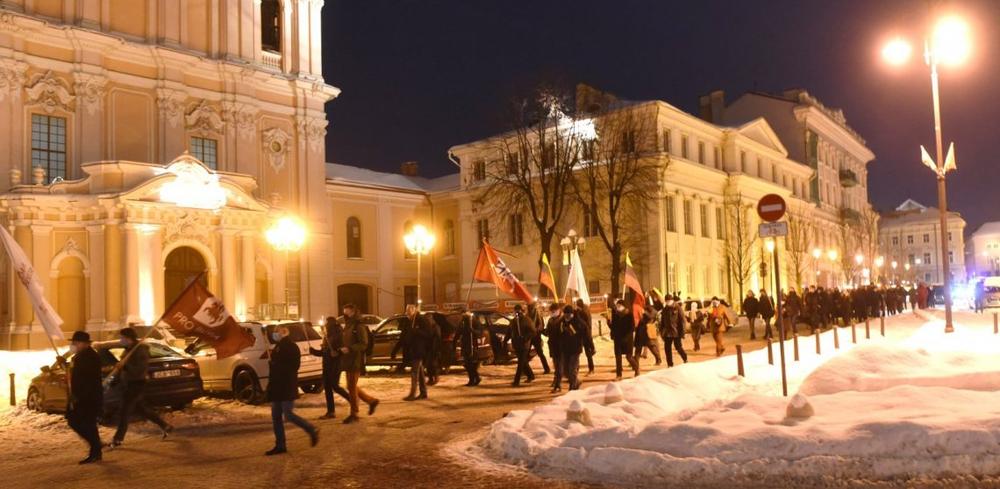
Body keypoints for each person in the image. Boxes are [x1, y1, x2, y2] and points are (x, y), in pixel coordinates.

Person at [106, 327, 172, 448]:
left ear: (128, 338)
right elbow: (123, 369)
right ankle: (165, 425)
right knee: (141, 409)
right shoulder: (129, 350)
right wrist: (116, 379)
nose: (120, 340)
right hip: (128, 384)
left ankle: (118, 439)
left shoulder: (140, 350)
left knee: (124, 411)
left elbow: (139, 370)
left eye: (122, 338)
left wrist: (124, 367)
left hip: (137, 384)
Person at [265, 324, 318, 455]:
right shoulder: (278, 347)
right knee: (276, 416)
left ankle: (311, 429)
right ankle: (280, 445)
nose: (274, 334)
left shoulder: (291, 347)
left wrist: (275, 364)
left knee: (288, 414)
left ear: (284, 332)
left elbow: (293, 366)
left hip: (286, 385)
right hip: (277, 387)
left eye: (276, 332)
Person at [65, 331, 103, 464]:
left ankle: (96, 448)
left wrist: (79, 396)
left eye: (76, 343)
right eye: (73, 342)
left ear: (85, 344)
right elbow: (76, 374)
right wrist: (65, 364)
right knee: (80, 423)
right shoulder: (80, 356)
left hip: (88, 398)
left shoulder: (90, 357)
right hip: (80, 397)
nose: (73, 345)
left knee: (83, 423)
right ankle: (96, 448)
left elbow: (87, 380)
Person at [341, 304, 379, 423]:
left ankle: (354, 414)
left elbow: (364, 343)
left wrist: (350, 349)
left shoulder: (358, 325)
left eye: (346, 311)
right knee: (350, 386)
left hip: (355, 359)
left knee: (351, 387)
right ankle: (371, 401)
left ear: (352, 311)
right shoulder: (349, 324)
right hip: (348, 359)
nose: (344, 313)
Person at [308, 317, 352, 419]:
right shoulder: (327, 336)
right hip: (327, 364)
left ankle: (352, 400)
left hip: (335, 365)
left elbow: (342, 349)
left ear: (331, 324)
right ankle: (331, 411)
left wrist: (337, 352)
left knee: (335, 386)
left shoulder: (339, 335)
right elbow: (324, 352)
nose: (325, 325)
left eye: (327, 323)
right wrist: (314, 351)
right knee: (327, 387)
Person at [393, 304, 430, 401]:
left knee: (414, 373)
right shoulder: (408, 322)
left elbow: (428, 334)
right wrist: (395, 350)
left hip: (419, 350)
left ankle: (412, 394)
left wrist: (416, 331)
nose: (407, 314)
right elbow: (403, 337)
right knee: (420, 372)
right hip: (412, 350)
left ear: (414, 310)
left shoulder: (421, 320)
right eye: (407, 311)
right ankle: (423, 392)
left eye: (409, 312)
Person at [556, 305, 588, 391]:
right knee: (566, 371)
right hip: (565, 349)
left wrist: (573, 332)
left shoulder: (578, 321)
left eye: (569, 315)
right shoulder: (561, 322)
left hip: (575, 349)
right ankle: (576, 382)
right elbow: (558, 334)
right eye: (565, 314)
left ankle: (572, 387)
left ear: (572, 314)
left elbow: (585, 333)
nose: (567, 316)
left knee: (572, 369)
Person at [609, 299, 639, 379]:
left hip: (627, 339)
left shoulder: (629, 315)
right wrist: (609, 322)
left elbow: (632, 328)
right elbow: (613, 327)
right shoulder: (615, 315)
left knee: (629, 356)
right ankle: (619, 375)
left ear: (624, 306)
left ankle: (636, 369)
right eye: (617, 306)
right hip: (618, 339)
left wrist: (627, 337)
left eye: (619, 306)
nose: (618, 307)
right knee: (618, 357)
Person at [509, 304, 536, 386]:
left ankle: (516, 381)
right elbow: (509, 331)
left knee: (520, 363)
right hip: (516, 344)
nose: (517, 312)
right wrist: (506, 340)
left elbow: (533, 331)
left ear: (521, 310)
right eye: (515, 310)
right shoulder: (513, 321)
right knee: (523, 362)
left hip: (524, 345)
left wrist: (525, 338)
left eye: (518, 310)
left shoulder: (526, 320)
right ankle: (531, 375)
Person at [659, 295, 688, 367]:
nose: (667, 302)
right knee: (667, 349)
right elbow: (662, 322)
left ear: (672, 301)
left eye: (669, 301)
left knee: (678, 347)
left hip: (676, 332)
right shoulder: (665, 309)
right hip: (667, 333)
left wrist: (683, 332)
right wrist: (661, 331)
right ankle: (670, 364)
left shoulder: (677, 308)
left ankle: (685, 358)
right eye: (666, 301)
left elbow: (683, 321)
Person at [455, 313, 481, 386]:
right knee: (467, 364)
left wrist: (472, 330)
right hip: (465, 345)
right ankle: (474, 378)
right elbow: (458, 332)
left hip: (472, 346)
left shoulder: (475, 323)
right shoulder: (463, 324)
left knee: (472, 364)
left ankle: (474, 379)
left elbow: (479, 332)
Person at [526, 303, 550, 374]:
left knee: (540, 354)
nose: (530, 309)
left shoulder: (538, 316)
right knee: (526, 355)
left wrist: (535, 330)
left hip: (536, 337)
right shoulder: (527, 316)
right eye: (529, 308)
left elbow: (541, 326)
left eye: (531, 308)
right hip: (530, 337)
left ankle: (547, 369)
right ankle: (525, 370)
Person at [545, 303, 563, 392]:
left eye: (554, 311)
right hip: (552, 346)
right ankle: (556, 381)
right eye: (551, 311)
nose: (552, 313)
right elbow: (548, 331)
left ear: (559, 311)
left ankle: (557, 384)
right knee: (556, 365)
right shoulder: (550, 320)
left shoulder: (562, 320)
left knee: (559, 366)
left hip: (560, 347)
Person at [575, 299, 596, 374]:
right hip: (580, 335)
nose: (576, 306)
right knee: (576, 354)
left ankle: (591, 368)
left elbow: (586, 324)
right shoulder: (578, 312)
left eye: (576, 304)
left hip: (585, 334)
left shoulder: (584, 312)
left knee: (587, 353)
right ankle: (575, 370)